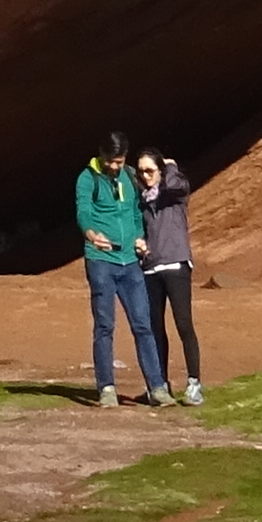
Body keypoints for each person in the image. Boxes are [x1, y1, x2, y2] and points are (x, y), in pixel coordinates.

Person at [74, 127, 165, 404]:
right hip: (101, 261)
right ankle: (106, 388)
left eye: (120, 161)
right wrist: (91, 233)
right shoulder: (87, 178)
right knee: (105, 325)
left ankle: (157, 387)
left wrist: (139, 237)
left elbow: (136, 212)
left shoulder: (127, 177)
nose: (115, 166)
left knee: (143, 324)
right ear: (102, 155)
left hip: (130, 264)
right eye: (111, 161)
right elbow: (83, 211)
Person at [137, 149, 206, 406]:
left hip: (176, 265)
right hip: (151, 268)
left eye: (150, 171)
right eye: (142, 171)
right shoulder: (142, 200)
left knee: (184, 324)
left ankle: (194, 383)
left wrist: (171, 168)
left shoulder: (175, 193)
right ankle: (160, 384)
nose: (145, 176)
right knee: (155, 328)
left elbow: (179, 184)